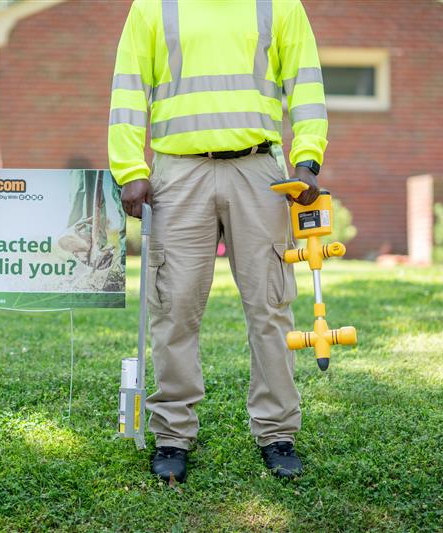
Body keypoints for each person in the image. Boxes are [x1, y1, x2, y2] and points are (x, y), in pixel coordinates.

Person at [108, 0, 327, 482]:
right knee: (174, 303)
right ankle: (172, 432)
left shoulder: (280, 6)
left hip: (259, 170)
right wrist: (129, 169)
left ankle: (277, 431)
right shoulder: (152, 7)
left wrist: (307, 158)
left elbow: (306, 84)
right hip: (178, 171)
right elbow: (128, 89)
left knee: (270, 304)